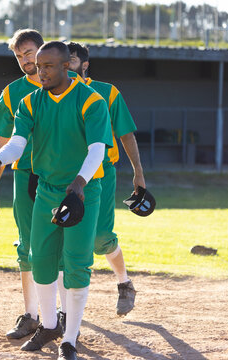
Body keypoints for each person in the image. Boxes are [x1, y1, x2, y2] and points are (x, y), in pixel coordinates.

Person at [0, 41, 113, 360]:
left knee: (76, 263)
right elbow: (18, 143)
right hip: (46, 189)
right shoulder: (30, 102)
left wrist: (78, 184)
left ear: (65, 67)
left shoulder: (91, 100)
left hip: (84, 190)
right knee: (41, 259)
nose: (40, 71)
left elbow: (97, 149)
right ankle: (48, 325)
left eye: (47, 66)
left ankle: (69, 339)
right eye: (39, 65)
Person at [0, 29, 82, 340]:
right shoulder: (14, 93)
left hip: (65, 179)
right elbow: (4, 139)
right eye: (19, 56)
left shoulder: (76, 88)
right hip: (26, 175)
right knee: (28, 247)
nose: (25, 61)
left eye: (29, 53)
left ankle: (66, 317)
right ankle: (31, 315)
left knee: (67, 250)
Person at [67, 41, 145, 316]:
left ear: (85, 65)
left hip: (102, 172)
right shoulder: (51, 92)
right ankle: (63, 311)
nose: (66, 65)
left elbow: (125, 134)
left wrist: (138, 172)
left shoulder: (107, 92)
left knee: (100, 237)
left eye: (72, 60)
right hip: (64, 173)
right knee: (64, 237)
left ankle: (124, 283)